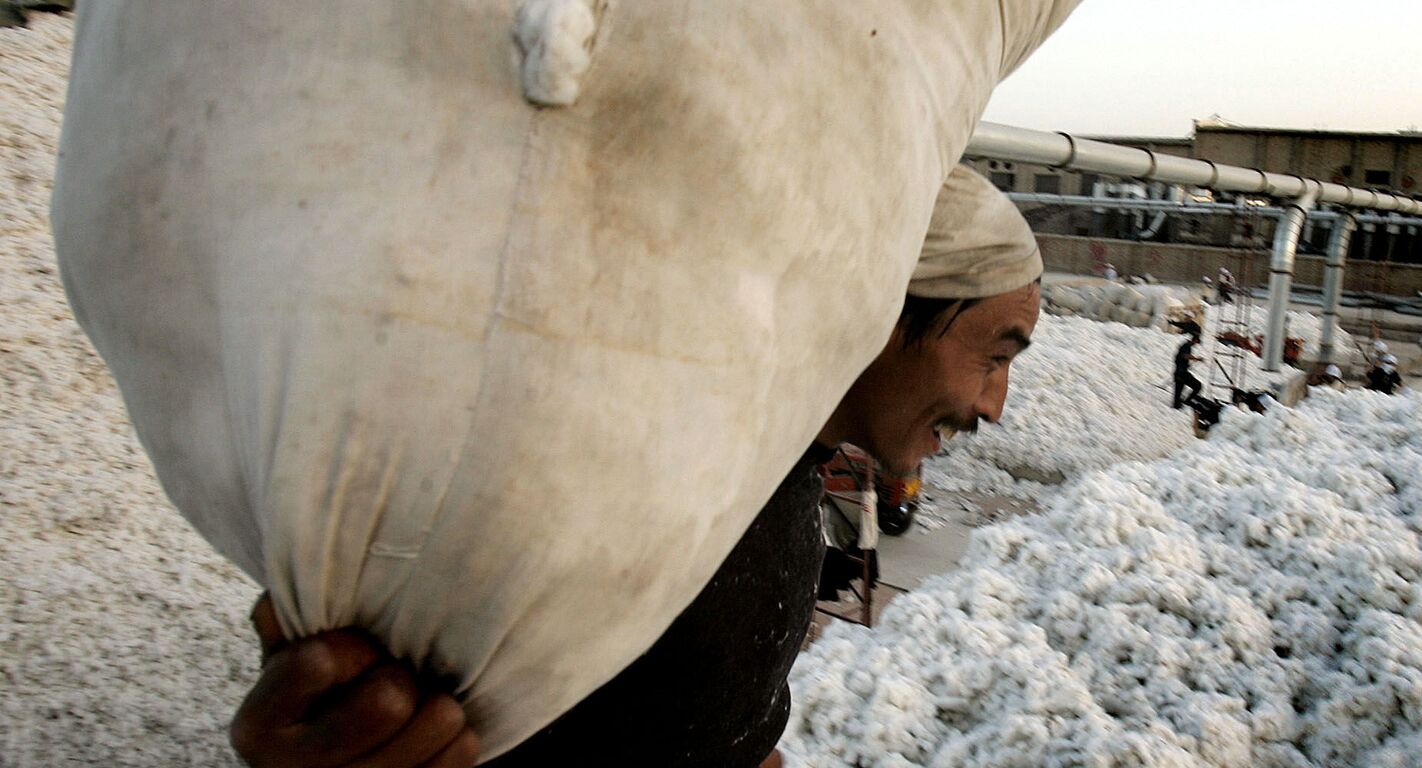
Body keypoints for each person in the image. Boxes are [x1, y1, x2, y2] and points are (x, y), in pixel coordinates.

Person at [225, 168, 1045, 768]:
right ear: (886, 306)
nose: (996, 404)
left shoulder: (786, 491)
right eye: (995, 355)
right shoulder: (644, 480)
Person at [1171, 328, 1204, 409]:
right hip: (1182, 373)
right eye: (1196, 342)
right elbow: (1185, 356)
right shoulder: (1187, 346)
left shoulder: (1185, 345)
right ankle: (1187, 401)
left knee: (1178, 392)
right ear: (1195, 340)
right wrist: (1196, 358)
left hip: (1178, 373)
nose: (1196, 344)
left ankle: (1177, 406)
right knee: (1198, 386)